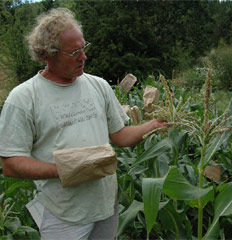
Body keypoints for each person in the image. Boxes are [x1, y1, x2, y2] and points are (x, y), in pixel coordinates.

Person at [0, 7, 165, 240]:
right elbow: (10, 163)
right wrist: (64, 169)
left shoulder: (98, 86)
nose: (84, 56)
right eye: (74, 52)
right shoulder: (24, 98)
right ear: (49, 54)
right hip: (63, 216)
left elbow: (119, 135)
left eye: (84, 47)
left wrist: (154, 125)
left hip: (106, 208)